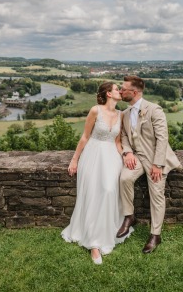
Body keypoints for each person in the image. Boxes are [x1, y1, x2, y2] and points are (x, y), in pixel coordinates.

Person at [62, 82, 133, 265]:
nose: (120, 91)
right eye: (117, 89)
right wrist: (74, 159)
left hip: (112, 158)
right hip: (93, 156)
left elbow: (117, 141)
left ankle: (107, 231)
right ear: (109, 93)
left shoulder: (120, 114)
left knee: (110, 191)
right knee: (94, 195)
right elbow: (85, 136)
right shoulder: (95, 110)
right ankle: (94, 244)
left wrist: (125, 155)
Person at [116, 75, 182, 254]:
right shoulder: (126, 113)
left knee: (156, 194)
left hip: (155, 159)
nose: (120, 91)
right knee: (124, 178)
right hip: (137, 157)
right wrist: (127, 152)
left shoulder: (154, 109)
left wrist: (158, 164)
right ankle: (130, 217)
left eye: (123, 89)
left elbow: (162, 138)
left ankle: (155, 235)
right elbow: (123, 137)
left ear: (134, 92)